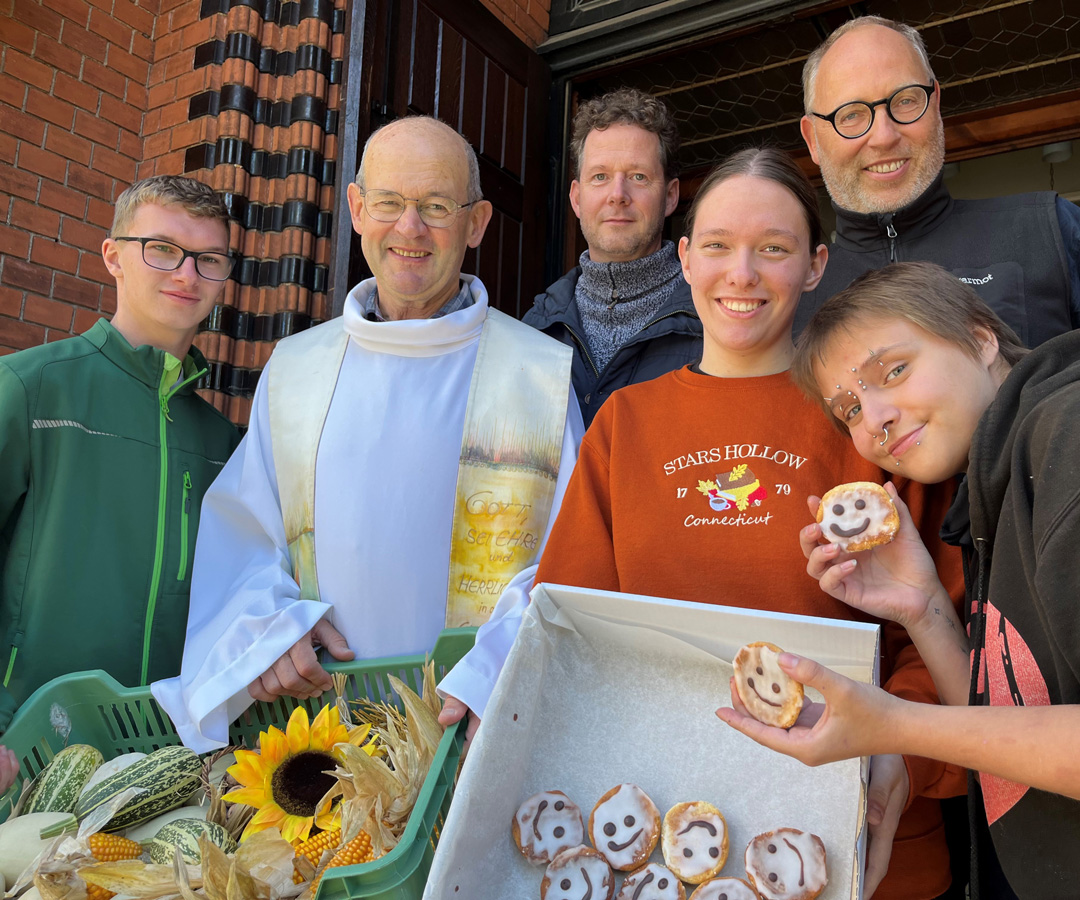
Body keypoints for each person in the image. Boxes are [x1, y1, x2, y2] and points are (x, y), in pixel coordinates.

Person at [522, 149, 966, 900]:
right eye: (720, 246)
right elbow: (570, 637)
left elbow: (943, 630)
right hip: (669, 834)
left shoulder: (871, 423)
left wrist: (904, 756)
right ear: (685, 259)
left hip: (857, 827)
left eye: (774, 249)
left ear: (816, 264)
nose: (743, 274)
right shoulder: (624, 426)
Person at [722, 261, 1080, 898]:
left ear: (981, 336)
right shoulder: (996, 488)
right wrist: (921, 609)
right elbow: (1009, 735)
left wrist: (895, 725)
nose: (875, 421)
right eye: (849, 411)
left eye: (893, 370)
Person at [153, 117, 584, 751]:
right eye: (388, 203)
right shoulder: (297, 368)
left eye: (437, 207)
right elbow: (246, 533)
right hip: (320, 731)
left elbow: (573, 556)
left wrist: (492, 674)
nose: (409, 229)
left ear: (478, 223)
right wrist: (271, 632)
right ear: (357, 208)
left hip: (477, 731)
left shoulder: (538, 375)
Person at [0, 175, 240, 733]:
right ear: (114, 257)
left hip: (168, 755)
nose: (187, 274)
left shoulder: (224, 444)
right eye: (162, 250)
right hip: (27, 743)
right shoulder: (31, 389)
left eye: (209, 259)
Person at [793, 15, 1080, 348]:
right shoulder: (790, 293)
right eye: (851, 114)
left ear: (936, 105)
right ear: (812, 141)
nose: (884, 136)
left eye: (906, 100)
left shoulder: (1053, 232)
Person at [524, 88, 702, 426]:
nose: (617, 195)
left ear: (670, 195)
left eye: (638, 177)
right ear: (577, 198)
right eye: (600, 177)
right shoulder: (533, 329)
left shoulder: (714, 322)